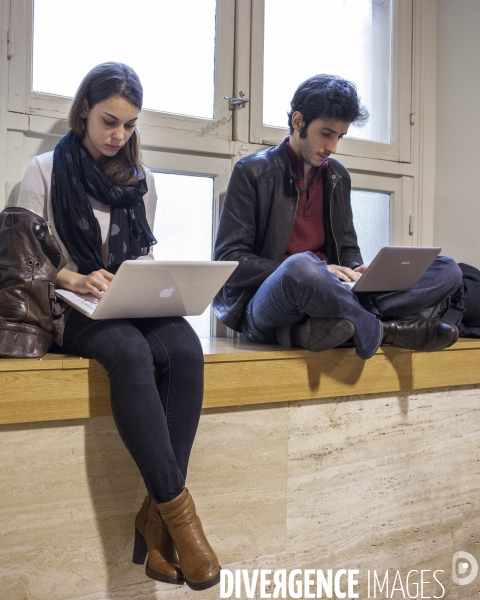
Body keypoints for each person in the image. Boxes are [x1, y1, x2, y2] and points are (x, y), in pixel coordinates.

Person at [17, 62, 220, 591]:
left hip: (126, 301)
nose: (118, 135)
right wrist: (75, 277)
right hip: (69, 305)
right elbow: (23, 258)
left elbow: (142, 256)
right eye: (109, 121)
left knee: (184, 347)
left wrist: (151, 285)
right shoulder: (43, 171)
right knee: (130, 352)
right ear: (84, 109)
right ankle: (181, 525)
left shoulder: (142, 181)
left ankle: (154, 519)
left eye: (129, 125)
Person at [213, 74, 463, 359]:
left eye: (339, 136)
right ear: (298, 122)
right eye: (326, 133)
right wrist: (319, 271)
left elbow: (346, 247)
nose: (333, 147)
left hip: (333, 294)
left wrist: (357, 268)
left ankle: (323, 328)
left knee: (448, 269)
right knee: (300, 268)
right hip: (267, 302)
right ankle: (385, 330)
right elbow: (229, 260)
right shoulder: (252, 172)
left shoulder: (337, 176)